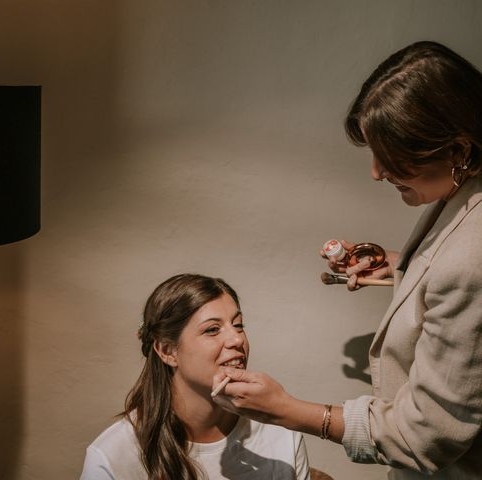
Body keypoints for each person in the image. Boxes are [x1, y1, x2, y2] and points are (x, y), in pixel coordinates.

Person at [211, 40, 482, 479]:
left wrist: (288, 411)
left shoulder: (473, 255)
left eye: (389, 156)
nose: (376, 171)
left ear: (457, 150)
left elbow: (425, 437)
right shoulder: (464, 190)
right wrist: (398, 265)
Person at [80, 273, 310, 479]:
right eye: (212, 329)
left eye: (238, 325)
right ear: (168, 351)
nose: (238, 340)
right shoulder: (112, 457)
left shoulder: (282, 437)